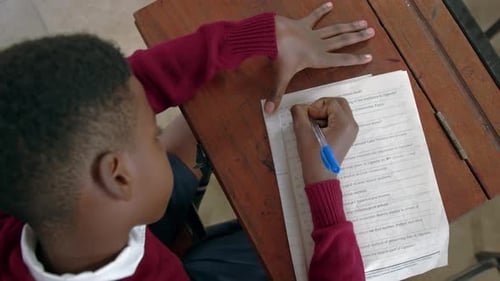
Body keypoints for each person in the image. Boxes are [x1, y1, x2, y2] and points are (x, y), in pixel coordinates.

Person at [0, 2, 372, 280]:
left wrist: (263, 35)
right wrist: (324, 190)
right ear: (117, 177)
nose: (156, 132)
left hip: (120, 237)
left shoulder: (20, 170)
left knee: (192, 129)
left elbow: (125, 86)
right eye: (152, 134)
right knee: (284, 248)